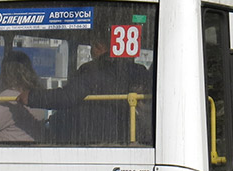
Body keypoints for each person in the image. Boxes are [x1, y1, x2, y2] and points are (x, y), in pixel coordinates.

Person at [21, 24, 149, 144]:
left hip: (96, 138)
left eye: (92, 46)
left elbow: (68, 96)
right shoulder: (139, 71)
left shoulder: (93, 70)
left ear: (99, 46)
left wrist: (32, 97)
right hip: (130, 138)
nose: (91, 51)